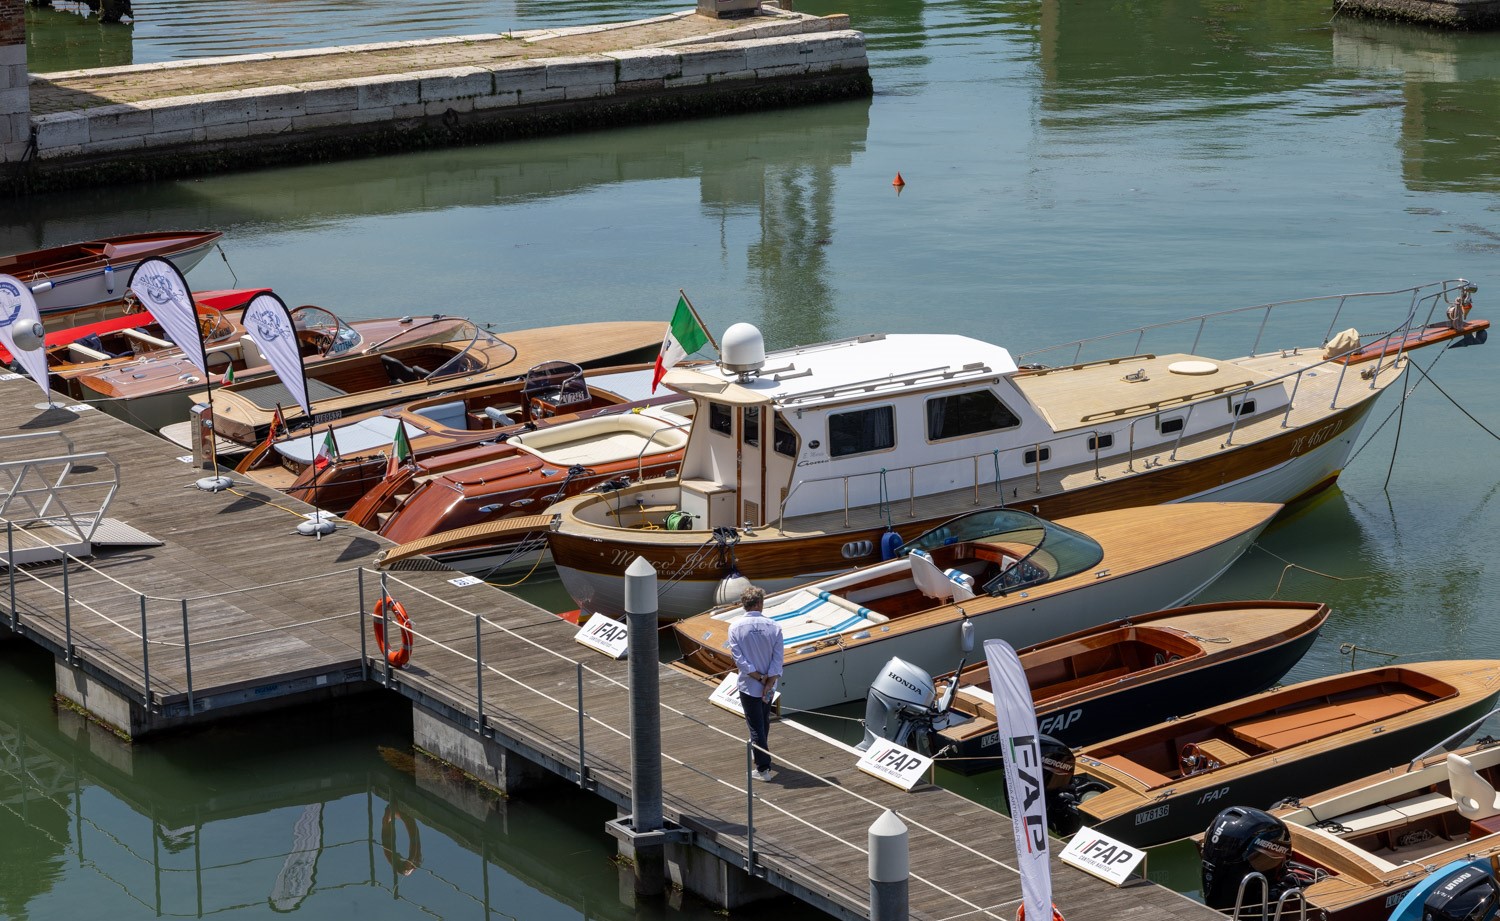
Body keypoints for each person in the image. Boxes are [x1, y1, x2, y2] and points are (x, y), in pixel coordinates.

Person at [727, 585, 783, 781]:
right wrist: (769, 681)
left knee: (755, 726)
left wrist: (759, 678)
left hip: (749, 685)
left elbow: (740, 661)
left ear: (744, 604)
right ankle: (761, 753)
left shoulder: (734, 627)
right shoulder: (775, 626)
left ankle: (763, 768)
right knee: (764, 721)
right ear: (759, 603)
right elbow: (778, 659)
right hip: (769, 685)